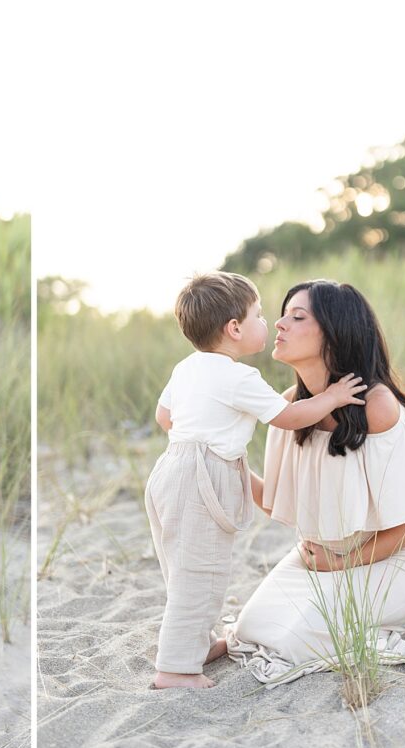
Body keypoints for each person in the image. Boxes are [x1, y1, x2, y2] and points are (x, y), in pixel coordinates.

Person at [145, 272, 367, 689]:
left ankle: (196, 643)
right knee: (203, 572)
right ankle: (174, 668)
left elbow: (164, 417)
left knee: (182, 567)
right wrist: (333, 398)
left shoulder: (187, 367)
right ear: (234, 329)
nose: (270, 324)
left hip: (169, 468)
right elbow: (289, 417)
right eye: (260, 315)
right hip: (200, 476)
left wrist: (196, 436)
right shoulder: (238, 377)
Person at [221, 279, 405, 687]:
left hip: (394, 559)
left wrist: (342, 563)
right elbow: (274, 501)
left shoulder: (377, 407)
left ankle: (398, 612)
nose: (280, 324)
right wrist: (227, 460)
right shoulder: (290, 406)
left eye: (297, 316)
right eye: (282, 314)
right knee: (251, 631)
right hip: (321, 559)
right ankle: (358, 613)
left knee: (294, 642)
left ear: (335, 333)